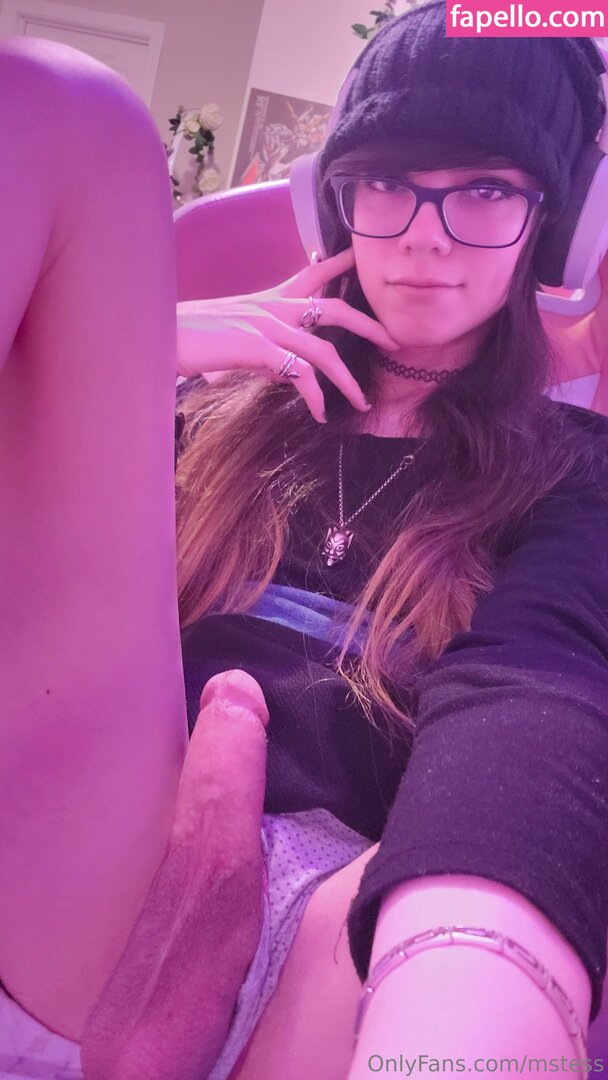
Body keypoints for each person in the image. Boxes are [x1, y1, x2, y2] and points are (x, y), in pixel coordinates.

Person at [2, 5, 608, 1080]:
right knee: (50, 108)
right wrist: (138, 347)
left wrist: (463, 959)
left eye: (483, 190)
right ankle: (189, 900)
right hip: (100, 834)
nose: (425, 234)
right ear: (337, 201)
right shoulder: (214, 405)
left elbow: (533, 701)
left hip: (342, 909)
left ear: (547, 225)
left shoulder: (570, 467)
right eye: (388, 183)